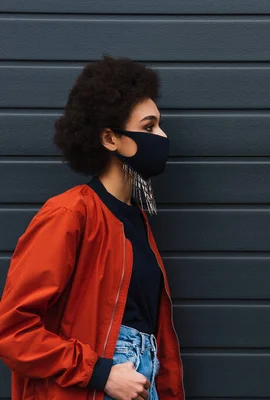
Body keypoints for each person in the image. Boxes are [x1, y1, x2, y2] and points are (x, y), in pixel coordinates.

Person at [0, 56, 184, 400]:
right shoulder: (71, 214)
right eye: (148, 127)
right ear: (110, 139)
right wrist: (101, 373)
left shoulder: (137, 221)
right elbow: (13, 330)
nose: (162, 136)